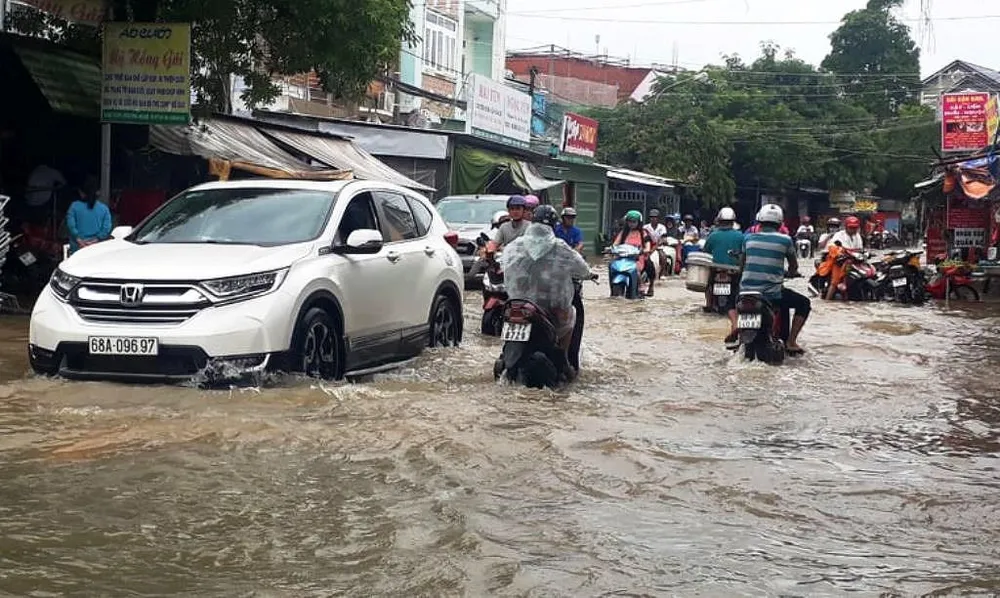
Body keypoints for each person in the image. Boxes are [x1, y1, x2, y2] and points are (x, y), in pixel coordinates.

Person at [501, 205, 593, 379]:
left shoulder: (515, 245)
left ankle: (505, 357)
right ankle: (564, 361)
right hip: (551, 309)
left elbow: (502, 263)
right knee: (571, 314)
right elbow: (582, 269)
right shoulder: (560, 247)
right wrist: (590, 274)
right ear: (553, 224)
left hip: (519, 307)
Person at [740, 204, 810, 355]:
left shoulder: (747, 238)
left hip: (745, 291)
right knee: (804, 303)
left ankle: (736, 333)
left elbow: (742, 264)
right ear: (780, 223)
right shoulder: (785, 240)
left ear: (759, 221)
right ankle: (791, 342)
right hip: (772, 293)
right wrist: (791, 273)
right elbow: (793, 266)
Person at [703, 207, 745, 343]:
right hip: (734, 272)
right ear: (733, 222)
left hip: (716, 271)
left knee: (707, 283)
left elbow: (706, 253)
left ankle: (709, 304)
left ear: (719, 221)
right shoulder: (740, 236)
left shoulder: (713, 235)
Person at [612, 210, 656, 296]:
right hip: (623, 258)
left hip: (637, 258)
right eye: (629, 222)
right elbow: (615, 244)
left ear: (638, 222)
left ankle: (641, 286)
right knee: (612, 265)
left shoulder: (643, 233)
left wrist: (644, 250)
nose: (631, 224)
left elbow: (647, 246)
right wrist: (611, 249)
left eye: (634, 222)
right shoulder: (623, 232)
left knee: (637, 269)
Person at [66, 177, 112, 255]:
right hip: (96, 249)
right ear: (98, 192)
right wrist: (95, 241)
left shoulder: (74, 206)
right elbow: (106, 229)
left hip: (77, 249)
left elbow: (71, 226)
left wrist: (79, 241)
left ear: (81, 192)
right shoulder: (104, 209)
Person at [823, 215, 865, 301]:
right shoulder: (839, 235)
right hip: (840, 261)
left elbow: (860, 248)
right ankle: (827, 300)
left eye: (855, 228)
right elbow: (832, 246)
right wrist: (839, 253)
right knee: (835, 282)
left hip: (854, 259)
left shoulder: (858, 236)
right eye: (851, 227)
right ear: (846, 227)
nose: (853, 230)